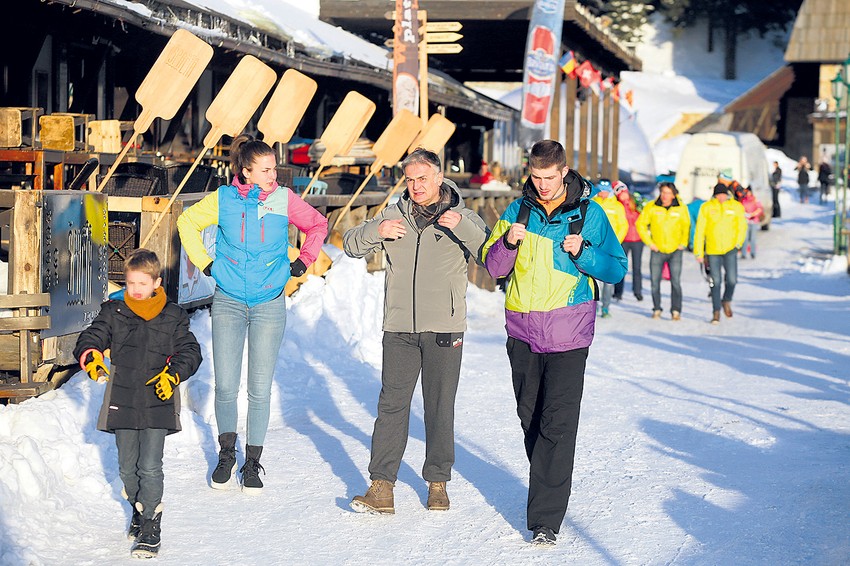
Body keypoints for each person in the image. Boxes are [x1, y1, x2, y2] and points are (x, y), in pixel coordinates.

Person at [481, 140, 627, 546]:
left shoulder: (589, 215)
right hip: (523, 333)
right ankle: (549, 478)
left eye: (550, 177)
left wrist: (585, 253)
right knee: (530, 418)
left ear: (564, 172)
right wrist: (508, 243)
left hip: (569, 335)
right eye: (536, 177)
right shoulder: (517, 211)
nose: (543, 185)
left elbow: (616, 269)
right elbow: (492, 266)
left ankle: (544, 520)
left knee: (557, 425)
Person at [177, 135, 328, 492]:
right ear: (245, 171)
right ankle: (226, 454)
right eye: (265, 170)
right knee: (226, 386)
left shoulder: (283, 198)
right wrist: (207, 264)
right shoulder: (224, 199)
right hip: (229, 300)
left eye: (274, 168)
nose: (273, 175)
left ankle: (253, 462)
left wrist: (304, 260)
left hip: (269, 302)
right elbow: (187, 222)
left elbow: (318, 224)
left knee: (259, 389)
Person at [343, 148, 489, 514]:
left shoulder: (462, 216)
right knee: (391, 405)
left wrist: (462, 226)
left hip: (444, 327)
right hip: (399, 328)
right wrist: (375, 231)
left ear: (439, 178)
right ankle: (381, 486)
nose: (416, 186)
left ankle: (438, 481)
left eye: (422, 178)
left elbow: (491, 255)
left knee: (439, 406)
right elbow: (350, 244)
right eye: (409, 180)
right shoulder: (394, 215)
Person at [73, 249, 202, 559]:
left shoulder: (173, 316)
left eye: (142, 283)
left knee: (150, 466)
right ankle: (138, 506)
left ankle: (151, 525)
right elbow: (92, 337)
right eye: (131, 283)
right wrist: (91, 355)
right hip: (124, 398)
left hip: (159, 399)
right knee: (128, 469)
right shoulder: (114, 312)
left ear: (157, 282)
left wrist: (173, 374)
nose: (136, 289)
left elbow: (190, 351)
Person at [693, 183, 748, 324]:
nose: (721, 197)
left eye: (723, 195)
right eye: (718, 195)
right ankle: (716, 311)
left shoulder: (736, 207)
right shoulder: (706, 207)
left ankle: (726, 300)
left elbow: (742, 226)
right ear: (715, 195)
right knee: (715, 282)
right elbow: (700, 230)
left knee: (732, 279)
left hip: (730, 249)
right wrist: (698, 252)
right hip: (713, 250)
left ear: (727, 194)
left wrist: (738, 244)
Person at [636, 181, 690, 321]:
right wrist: (650, 243)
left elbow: (686, 226)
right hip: (657, 250)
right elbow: (640, 224)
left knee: (675, 282)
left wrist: (683, 243)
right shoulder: (652, 206)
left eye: (668, 193)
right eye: (663, 192)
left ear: (674, 195)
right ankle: (657, 308)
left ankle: (676, 310)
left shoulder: (681, 208)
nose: (665, 196)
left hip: (675, 250)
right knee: (655, 282)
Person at [592, 179, 628, 317]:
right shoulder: (592, 203)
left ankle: (606, 307)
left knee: (608, 279)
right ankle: (594, 305)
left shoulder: (617, 206)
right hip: (595, 247)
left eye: (606, 191)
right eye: (601, 190)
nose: (603, 193)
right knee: (594, 278)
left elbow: (623, 226)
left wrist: (614, 243)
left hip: (610, 247)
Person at [613, 181, 644, 301]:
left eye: (624, 192)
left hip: (637, 239)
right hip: (624, 239)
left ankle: (637, 291)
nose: (623, 195)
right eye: (619, 193)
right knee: (621, 266)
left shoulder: (636, 203)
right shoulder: (618, 206)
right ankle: (618, 292)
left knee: (637, 267)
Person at [739, 186, 763, 259]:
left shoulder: (755, 200)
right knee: (745, 238)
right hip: (746, 221)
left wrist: (753, 214)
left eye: (748, 192)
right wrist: (745, 215)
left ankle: (753, 253)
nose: (747, 193)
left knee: (753, 238)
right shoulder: (743, 200)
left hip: (754, 221)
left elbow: (759, 209)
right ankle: (743, 253)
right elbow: (740, 209)